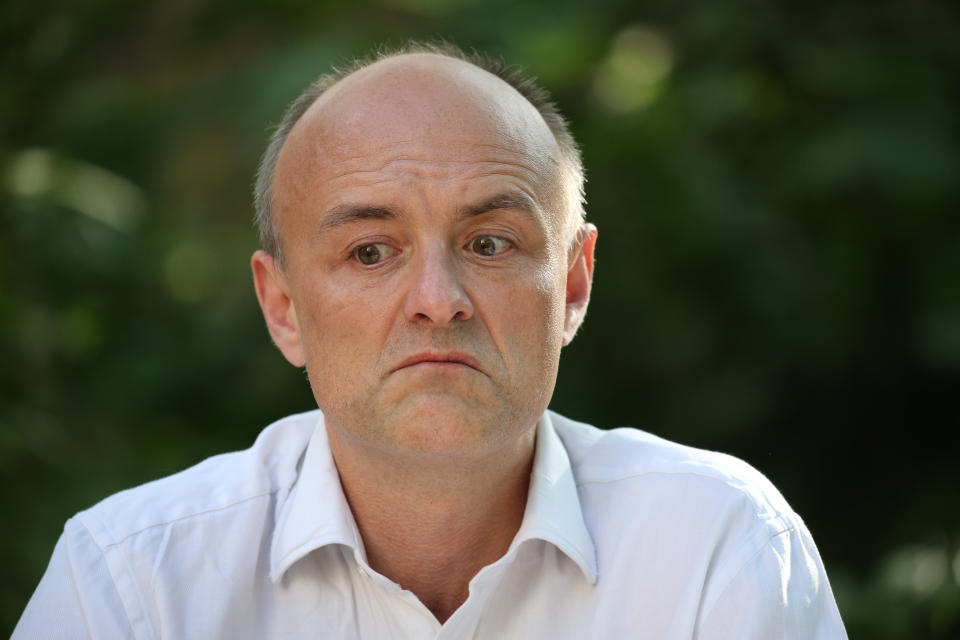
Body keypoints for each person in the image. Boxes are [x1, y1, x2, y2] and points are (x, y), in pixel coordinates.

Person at [14, 42, 847, 639]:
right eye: (370, 252)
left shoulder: (717, 547)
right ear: (284, 308)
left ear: (573, 284)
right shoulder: (133, 587)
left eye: (490, 243)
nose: (437, 302)